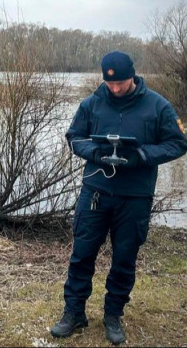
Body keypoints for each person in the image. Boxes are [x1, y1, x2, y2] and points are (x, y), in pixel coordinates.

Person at [51, 51, 187, 345]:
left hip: (135, 196)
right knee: (82, 254)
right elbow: (74, 137)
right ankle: (74, 313)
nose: (114, 88)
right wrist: (95, 153)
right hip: (95, 193)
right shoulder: (92, 103)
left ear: (132, 77)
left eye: (121, 83)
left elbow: (178, 143)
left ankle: (113, 315)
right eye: (110, 84)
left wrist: (143, 155)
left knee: (124, 258)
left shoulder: (157, 106)